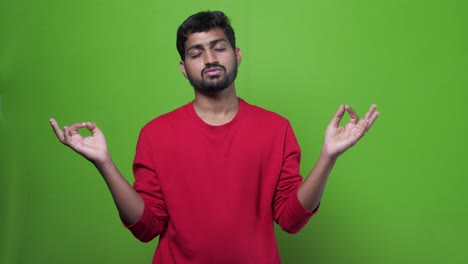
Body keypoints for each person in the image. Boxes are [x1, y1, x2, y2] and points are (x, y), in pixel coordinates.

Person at [50, 11, 379, 264]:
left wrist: (328, 158)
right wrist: (104, 164)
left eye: (218, 48)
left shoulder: (276, 128)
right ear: (184, 68)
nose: (209, 59)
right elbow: (146, 227)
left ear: (236, 56)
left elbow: (291, 220)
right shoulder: (155, 134)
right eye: (196, 53)